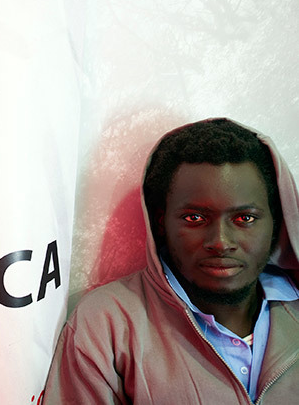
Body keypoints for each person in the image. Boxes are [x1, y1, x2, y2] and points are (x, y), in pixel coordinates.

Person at [44, 118, 299, 404]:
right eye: (195, 218)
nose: (221, 242)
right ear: (161, 222)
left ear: (275, 222)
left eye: (244, 218)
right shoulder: (107, 325)